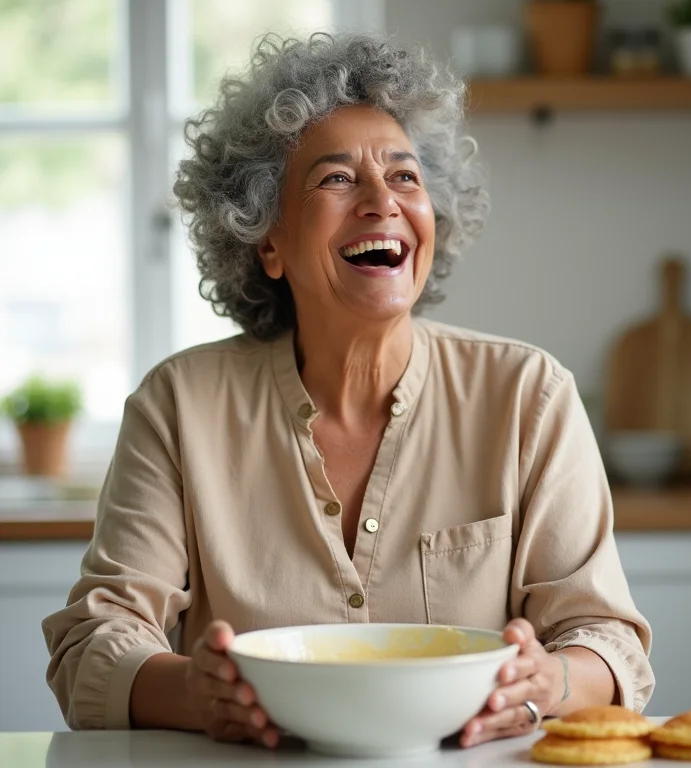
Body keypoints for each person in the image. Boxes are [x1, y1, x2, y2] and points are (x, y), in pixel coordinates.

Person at [43, 32, 654, 750]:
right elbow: (93, 642)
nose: (380, 202)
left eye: (404, 177)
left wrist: (545, 682)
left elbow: (609, 643)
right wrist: (196, 693)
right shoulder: (179, 406)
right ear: (266, 240)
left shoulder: (529, 396)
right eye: (335, 179)